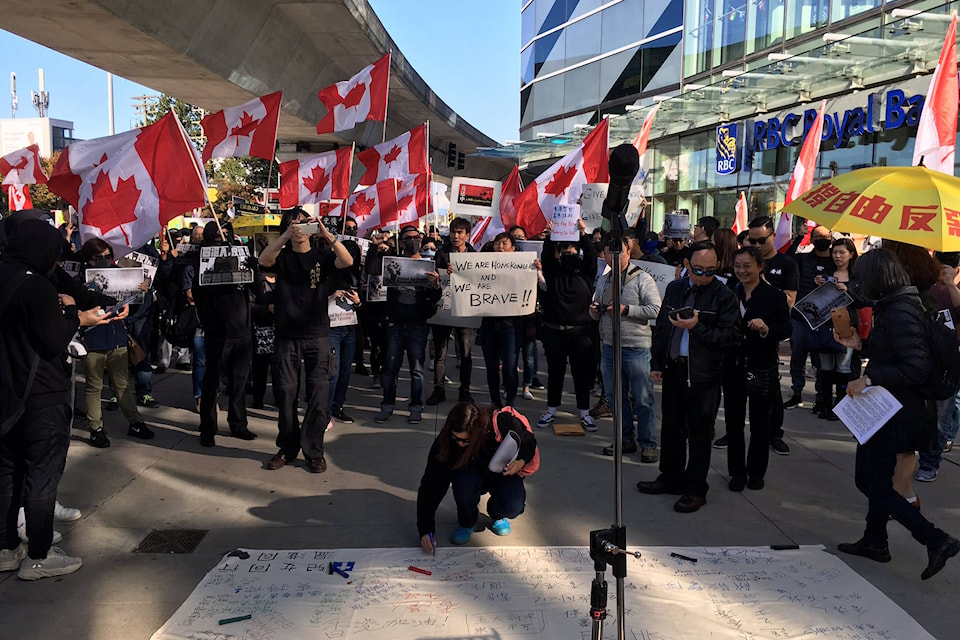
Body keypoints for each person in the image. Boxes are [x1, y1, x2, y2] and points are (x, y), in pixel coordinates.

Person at [0, 219, 118, 580]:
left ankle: (6, 549)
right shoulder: (35, 286)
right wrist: (73, 314)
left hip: (6, 395)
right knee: (41, 476)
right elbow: (54, 339)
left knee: (7, 475)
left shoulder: (7, 275)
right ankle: (38, 555)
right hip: (41, 396)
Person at [834, 249, 960, 580]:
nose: (860, 282)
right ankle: (876, 541)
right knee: (875, 477)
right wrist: (860, 345)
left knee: (869, 479)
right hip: (890, 407)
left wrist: (871, 378)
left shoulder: (902, 309)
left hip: (896, 409)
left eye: (864, 276)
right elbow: (894, 349)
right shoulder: (895, 304)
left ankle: (935, 539)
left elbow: (915, 367)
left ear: (879, 276)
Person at [637, 241, 741, 513]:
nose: (704, 276)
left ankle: (695, 488)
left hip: (704, 375)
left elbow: (730, 338)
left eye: (710, 270)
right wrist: (657, 361)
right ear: (686, 265)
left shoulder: (724, 296)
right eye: (698, 270)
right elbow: (661, 327)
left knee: (699, 434)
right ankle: (670, 477)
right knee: (671, 428)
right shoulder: (675, 288)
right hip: (674, 368)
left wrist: (697, 328)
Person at [258, 209, 353, 473]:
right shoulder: (283, 257)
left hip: (318, 336)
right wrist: (286, 235)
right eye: (293, 223)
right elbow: (264, 260)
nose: (300, 227)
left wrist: (325, 233)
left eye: (304, 222)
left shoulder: (322, 256)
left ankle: (314, 451)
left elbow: (346, 261)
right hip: (287, 336)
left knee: (318, 396)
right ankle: (287, 448)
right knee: (286, 394)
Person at [416, 402, 537, 549]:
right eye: (456, 439)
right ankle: (467, 522)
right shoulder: (445, 444)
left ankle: (496, 513)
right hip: (469, 474)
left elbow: (529, 440)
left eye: (466, 440)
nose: (461, 444)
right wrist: (425, 529)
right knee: (464, 487)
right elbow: (431, 487)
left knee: (513, 506)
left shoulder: (501, 422)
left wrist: (521, 461)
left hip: (503, 472)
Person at [723, 246, 791, 491]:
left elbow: (786, 328)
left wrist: (766, 328)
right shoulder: (730, 292)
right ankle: (736, 473)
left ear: (760, 266)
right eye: (737, 266)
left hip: (762, 366)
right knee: (733, 422)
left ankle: (756, 472)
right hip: (733, 365)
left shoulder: (773, 295)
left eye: (747, 266)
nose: (741, 271)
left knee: (761, 423)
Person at [78, 238, 155, 447]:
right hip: (92, 339)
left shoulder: (122, 274)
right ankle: (96, 428)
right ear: (89, 260)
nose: (105, 260)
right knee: (94, 387)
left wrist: (141, 292)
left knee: (122, 385)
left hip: (117, 338)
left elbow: (134, 308)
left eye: (108, 256)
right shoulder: (79, 281)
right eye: (99, 257)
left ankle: (135, 422)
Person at [590, 236, 661, 461]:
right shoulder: (604, 279)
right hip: (610, 347)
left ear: (628, 251)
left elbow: (655, 310)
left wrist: (626, 309)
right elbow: (594, 309)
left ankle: (648, 443)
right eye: (610, 252)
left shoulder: (642, 278)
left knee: (642, 398)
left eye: (619, 251)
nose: (615, 256)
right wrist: (594, 310)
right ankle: (625, 439)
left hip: (636, 348)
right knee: (615, 398)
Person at [191, 222, 257, 447]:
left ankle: (239, 424)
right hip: (218, 333)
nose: (221, 238)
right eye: (216, 237)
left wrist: (253, 269)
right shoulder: (201, 261)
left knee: (239, 382)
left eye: (224, 235)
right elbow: (198, 296)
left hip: (242, 331)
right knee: (213, 383)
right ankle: (208, 428)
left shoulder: (240, 256)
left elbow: (256, 290)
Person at [372, 225, 441, 424]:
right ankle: (387, 406)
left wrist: (435, 286)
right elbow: (373, 272)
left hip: (417, 325)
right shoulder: (392, 263)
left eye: (416, 237)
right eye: (408, 238)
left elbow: (435, 296)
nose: (413, 241)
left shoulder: (428, 265)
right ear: (401, 242)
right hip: (395, 324)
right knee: (391, 368)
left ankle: (416, 407)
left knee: (417, 370)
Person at [536, 219, 599, 432]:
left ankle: (584, 413)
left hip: (581, 331)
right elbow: (546, 257)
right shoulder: (554, 272)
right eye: (564, 250)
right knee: (555, 373)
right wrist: (550, 236)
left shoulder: (586, 273)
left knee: (582, 375)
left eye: (573, 249)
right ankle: (551, 410)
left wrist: (583, 234)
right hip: (555, 330)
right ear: (559, 253)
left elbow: (591, 258)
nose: (569, 252)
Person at [745, 216, 799, 456]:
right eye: (752, 240)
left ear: (772, 236)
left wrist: (765, 287)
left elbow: (789, 300)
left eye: (761, 240)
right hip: (742, 334)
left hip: (769, 333)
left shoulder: (786, 264)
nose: (756, 245)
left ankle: (774, 433)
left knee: (770, 388)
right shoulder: (744, 262)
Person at [916, 252, 960, 482]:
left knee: (942, 416)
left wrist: (951, 285)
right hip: (922, 359)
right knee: (920, 413)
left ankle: (930, 462)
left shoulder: (953, 290)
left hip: (948, 364)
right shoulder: (923, 287)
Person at [428, 218, 476, 405]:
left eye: (460, 232)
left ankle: (465, 389)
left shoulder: (474, 255)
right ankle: (439, 389)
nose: (456, 236)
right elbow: (434, 280)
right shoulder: (441, 254)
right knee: (440, 352)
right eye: (453, 232)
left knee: (465, 352)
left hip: (465, 310)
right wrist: (436, 280)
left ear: (467, 235)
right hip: (443, 307)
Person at [812, 238, 859, 421]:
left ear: (851, 254)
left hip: (846, 326)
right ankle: (824, 403)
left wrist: (847, 290)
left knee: (843, 366)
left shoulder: (856, 277)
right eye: (835, 252)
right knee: (825, 366)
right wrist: (818, 284)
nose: (837, 256)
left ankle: (840, 404)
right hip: (825, 324)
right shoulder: (826, 274)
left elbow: (862, 301)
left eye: (842, 252)